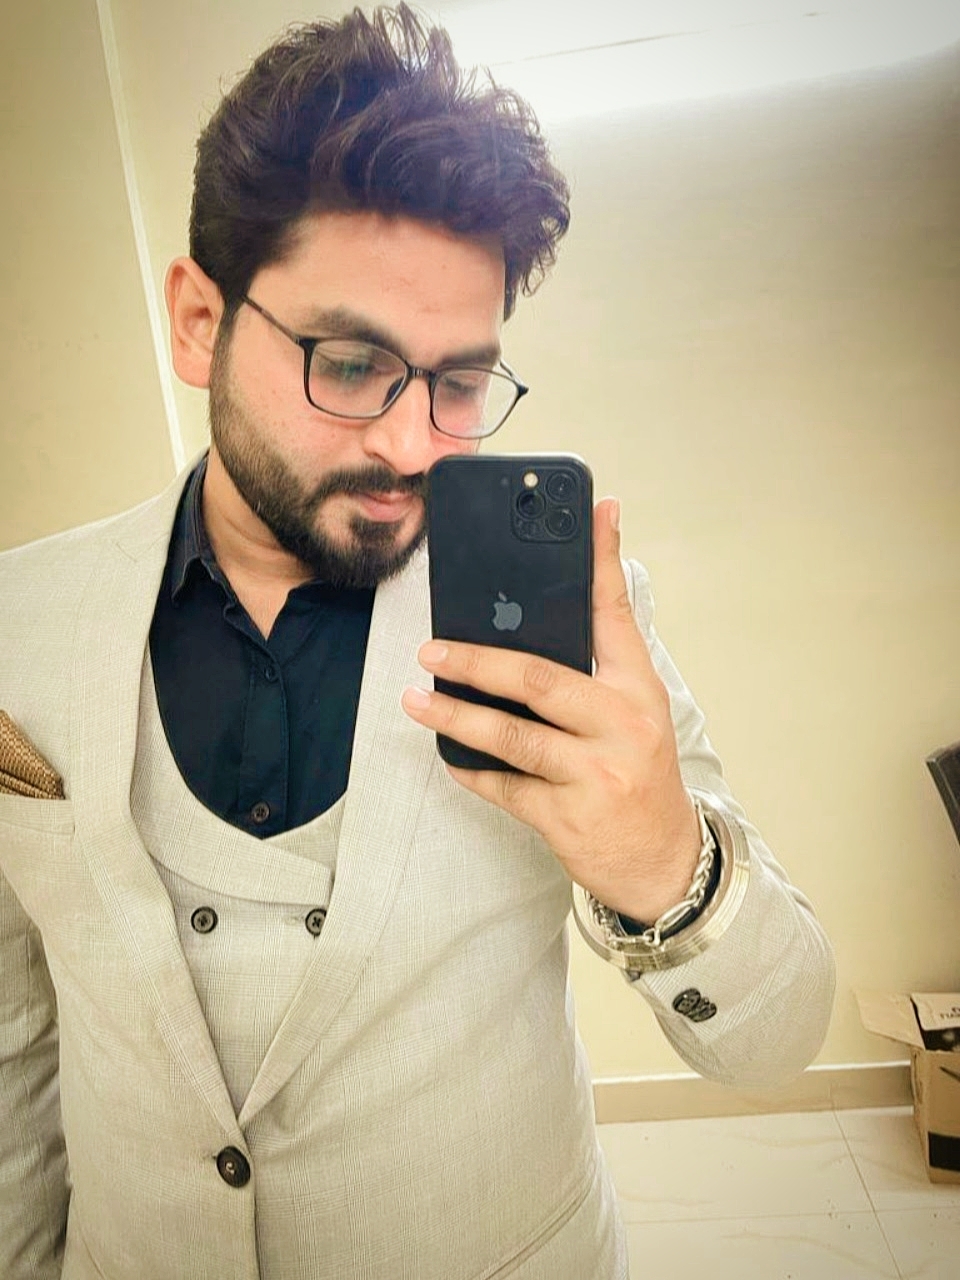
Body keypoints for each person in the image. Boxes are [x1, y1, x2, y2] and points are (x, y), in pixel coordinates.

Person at [0, 6, 835, 1278]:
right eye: (350, 363)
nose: (413, 444)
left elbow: (777, 1040)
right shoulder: (20, 621)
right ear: (198, 320)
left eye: (460, 381)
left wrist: (667, 860)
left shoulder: (578, 619)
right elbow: (14, 1043)